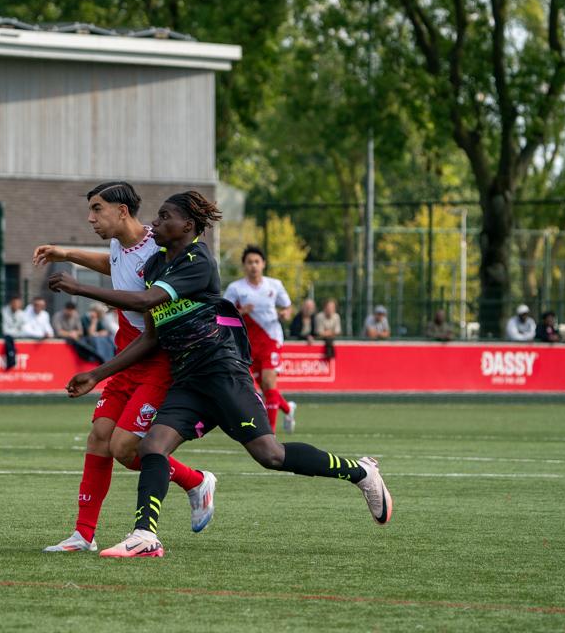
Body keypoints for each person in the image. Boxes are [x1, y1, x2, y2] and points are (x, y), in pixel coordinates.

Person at [49, 192, 391, 558]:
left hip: (223, 373)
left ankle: (360, 471)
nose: (157, 224)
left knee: (270, 455)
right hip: (186, 380)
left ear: (188, 226)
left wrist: (80, 287)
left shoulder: (199, 262)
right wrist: (98, 374)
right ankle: (145, 536)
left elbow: (147, 302)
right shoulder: (153, 267)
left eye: (165, 218)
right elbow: (150, 337)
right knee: (152, 446)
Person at [33, 181, 215, 553]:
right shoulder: (119, 244)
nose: (90, 218)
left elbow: (143, 293)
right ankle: (83, 535)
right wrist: (65, 253)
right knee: (99, 436)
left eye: (97, 209)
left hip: (158, 359)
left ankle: (195, 481)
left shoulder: (158, 247)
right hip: (126, 356)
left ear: (121, 211)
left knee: (125, 447)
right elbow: (114, 265)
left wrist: (78, 285)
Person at [223, 245, 297, 434]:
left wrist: (285, 314)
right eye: (250, 262)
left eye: (257, 262)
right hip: (247, 345)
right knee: (265, 387)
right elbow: (222, 317)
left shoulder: (275, 285)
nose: (254, 266)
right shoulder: (235, 289)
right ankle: (288, 409)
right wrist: (242, 312)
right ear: (244, 266)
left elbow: (288, 307)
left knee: (269, 381)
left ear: (263, 264)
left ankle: (268, 433)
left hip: (271, 339)